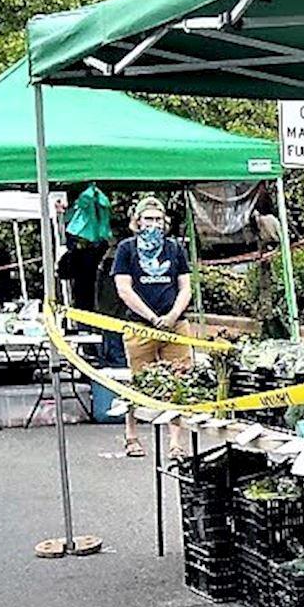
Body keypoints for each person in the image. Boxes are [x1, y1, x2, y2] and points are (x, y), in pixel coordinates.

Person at [111, 196, 194, 457]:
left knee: (178, 382)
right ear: (137, 221)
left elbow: (185, 287)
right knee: (138, 381)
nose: (154, 224)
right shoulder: (127, 249)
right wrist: (151, 318)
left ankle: (176, 443)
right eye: (148, 219)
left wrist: (172, 316)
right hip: (139, 326)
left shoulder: (174, 248)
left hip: (175, 326)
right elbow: (124, 289)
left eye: (158, 219)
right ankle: (132, 436)